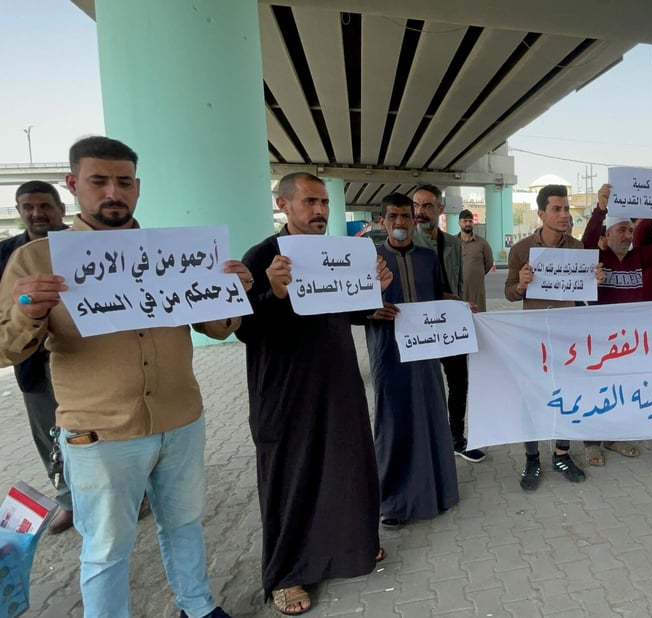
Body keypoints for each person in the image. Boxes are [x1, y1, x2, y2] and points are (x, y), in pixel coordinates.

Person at [0, 136, 243, 618]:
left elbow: (216, 328)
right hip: (101, 432)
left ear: (137, 187)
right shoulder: (36, 261)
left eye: (124, 181)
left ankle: (197, 607)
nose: (113, 191)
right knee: (107, 547)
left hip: (180, 419)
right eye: (98, 181)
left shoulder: (173, 253)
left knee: (185, 524)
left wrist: (230, 293)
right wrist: (28, 309)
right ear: (73, 185)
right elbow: (6, 348)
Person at [238, 173, 391, 615]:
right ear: (283, 205)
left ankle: (351, 548)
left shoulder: (343, 252)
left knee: (347, 465)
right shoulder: (263, 256)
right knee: (292, 476)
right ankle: (287, 574)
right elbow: (244, 329)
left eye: (323, 202)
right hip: (285, 389)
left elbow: (356, 312)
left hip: (338, 378)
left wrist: (375, 290)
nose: (320, 211)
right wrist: (275, 292)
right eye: (309, 202)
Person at [367, 193, 461, 520]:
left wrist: (459, 307)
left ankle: (440, 491)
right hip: (388, 352)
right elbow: (353, 306)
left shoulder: (428, 257)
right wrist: (371, 310)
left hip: (426, 351)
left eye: (405, 216)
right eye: (392, 216)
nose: (400, 223)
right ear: (382, 221)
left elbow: (438, 294)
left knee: (432, 414)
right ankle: (394, 501)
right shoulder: (370, 260)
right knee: (393, 421)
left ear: (413, 219)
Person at [505, 184, 604, 489]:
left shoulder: (578, 250)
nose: (564, 215)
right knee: (532, 398)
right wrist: (521, 285)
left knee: (567, 396)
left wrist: (595, 280)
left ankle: (562, 453)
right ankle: (532, 458)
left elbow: (587, 297)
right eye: (557, 209)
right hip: (534, 338)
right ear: (541, 213)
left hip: (567, 339)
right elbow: (509, 294)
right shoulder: (522, 249)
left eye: (567, 209)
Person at [578, 183, 652, 465]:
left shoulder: (639, 257)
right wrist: (600, 210)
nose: (627, 235)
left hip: (631, 340)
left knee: (624, 389)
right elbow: (586, 243)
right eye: (621, 230)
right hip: (601, 340)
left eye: (629, 230)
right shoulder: (598, 258)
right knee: (597, 390)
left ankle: (616, 437)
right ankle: (592, 442)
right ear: (608, 235)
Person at [0, 181, 72, 533]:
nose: (36, 213)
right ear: (19, 211)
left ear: (61, 208)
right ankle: (68, 499)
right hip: (35, 366)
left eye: (45, 205)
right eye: (27, 206)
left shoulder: (86, 248)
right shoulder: (6, 255)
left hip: (82, 362)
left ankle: (138, 495)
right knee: (49, 435)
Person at [410, 185, 484, 462]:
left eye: (427, 205)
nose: (420, 212)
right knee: (425, 384)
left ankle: (457, 438)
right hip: (420, 327)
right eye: (417, 205)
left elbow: (459, 283)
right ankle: (428, 440)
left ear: (440, 209)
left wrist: (464, 308)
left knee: (459, 382)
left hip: (451, 325)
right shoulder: (410, 244)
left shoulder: (452, 243)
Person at [457, 208, 493, 314]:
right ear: (459, 222)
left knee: (477, 316)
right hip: (458, 290)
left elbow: (489, 263)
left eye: (470, 221)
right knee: (458, 317)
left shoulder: (482, 243)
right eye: (465, 221)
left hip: (476, 289)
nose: (468, 223)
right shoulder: (453, 242)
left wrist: (476, 274)